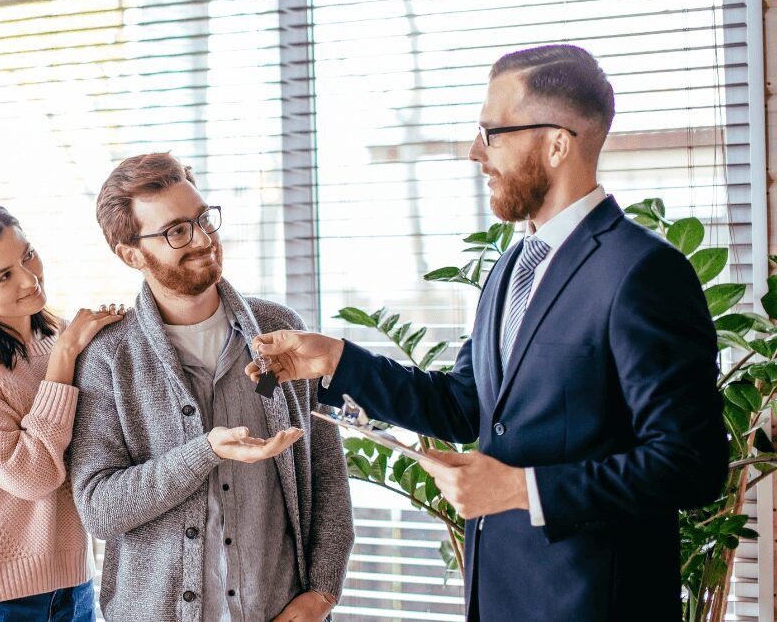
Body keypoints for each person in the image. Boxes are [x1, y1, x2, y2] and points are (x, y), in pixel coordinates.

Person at [247, 45, 727, 621]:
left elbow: (691, 464)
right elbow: (467, 405)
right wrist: (336, 360)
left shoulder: (644, 272)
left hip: (594, 603)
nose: (476, 152)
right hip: (498, 598)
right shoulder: (511, 266)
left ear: (556, 144)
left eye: (492, 132)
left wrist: (523, 490)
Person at [67, 153, 355, 622]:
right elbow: (100, 509)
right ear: (131, 254)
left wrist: (321, 595)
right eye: (177, 230)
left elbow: (327, 477)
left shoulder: (281, 331)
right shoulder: (108, 358)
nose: (203, 239)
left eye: (203, 219)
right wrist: (205, 451)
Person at [0, 201, 123, 621]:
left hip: (71, 582)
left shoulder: (57, 336)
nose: (30, 278)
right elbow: (31, 475)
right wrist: (66, 357)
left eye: (27, 254)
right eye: (4, 275)